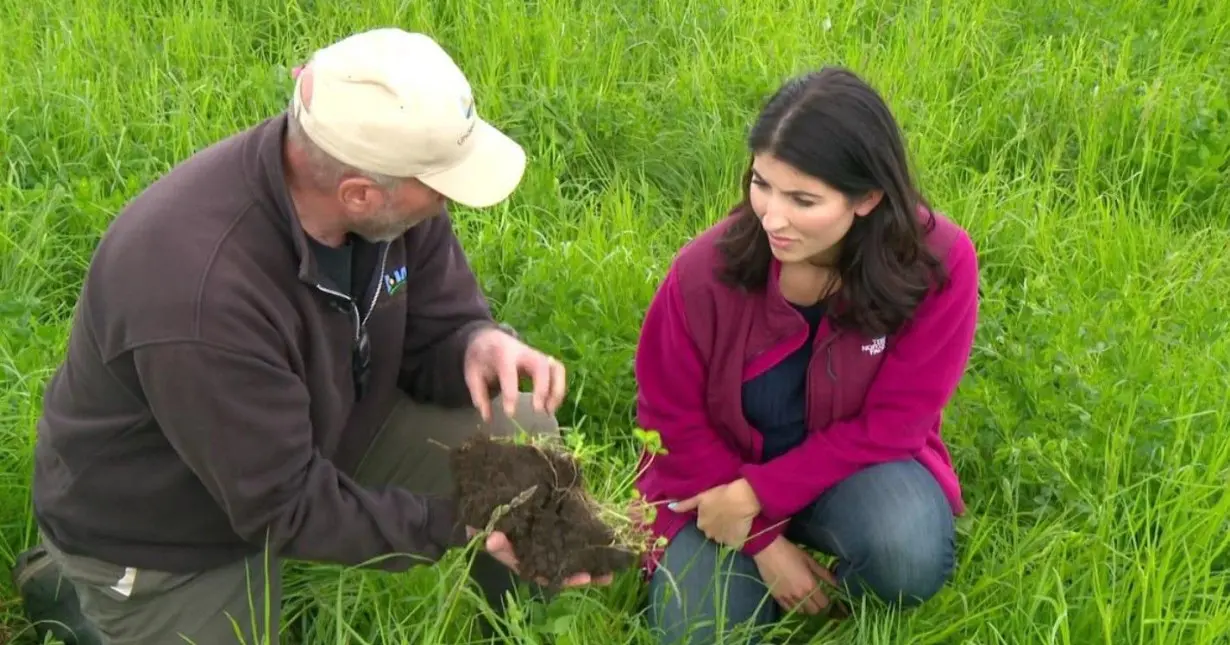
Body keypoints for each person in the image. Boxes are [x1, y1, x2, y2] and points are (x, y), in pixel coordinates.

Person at [10, 27, 611, 645]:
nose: (447, 200)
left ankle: (518, 627)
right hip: (174, 526)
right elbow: (285, 507)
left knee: (519, 437)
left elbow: (437, 317)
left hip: (315, 431)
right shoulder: (198, 293)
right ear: (359, 193)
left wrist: (475, 339)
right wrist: (459, 522)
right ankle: (77, 599)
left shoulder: (387, 201)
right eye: (438, 186)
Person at [631, 67, 980, 644]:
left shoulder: (937, 264)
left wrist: (759, 497)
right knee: (701, 632)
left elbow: (894, 425)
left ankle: (837, 588)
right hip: (712, 485)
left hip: (851, 472)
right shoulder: (703, 273)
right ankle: (751, 576)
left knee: (907, 551)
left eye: (803, 199)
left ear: (867, 197)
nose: (771, 216)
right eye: (762, 183)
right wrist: (761, 539)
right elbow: (670, 419)